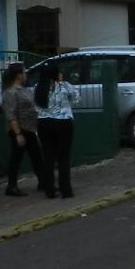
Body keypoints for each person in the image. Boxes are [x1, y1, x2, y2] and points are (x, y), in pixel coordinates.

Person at [0, 62, 44, 197]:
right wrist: (18, 133)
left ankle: (43, 181)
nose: (26, 75)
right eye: (24, 73)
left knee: (36, 155)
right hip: (20, 129)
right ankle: (12, 186)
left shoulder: (23, 90)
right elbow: (10, 115)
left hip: (29, 128)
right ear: (18, 75)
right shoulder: (10, 92)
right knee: (17, 157)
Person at [34, 70, 77, 199]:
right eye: (59, 72)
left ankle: (49, 190)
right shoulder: (65, 86)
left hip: (44, 123)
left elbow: (36, 106)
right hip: (63, 122)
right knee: (63, 157)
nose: (61, 74)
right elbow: (76, 98)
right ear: (55, 75)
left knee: (48, 157)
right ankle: (65, 189)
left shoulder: (38, 87)